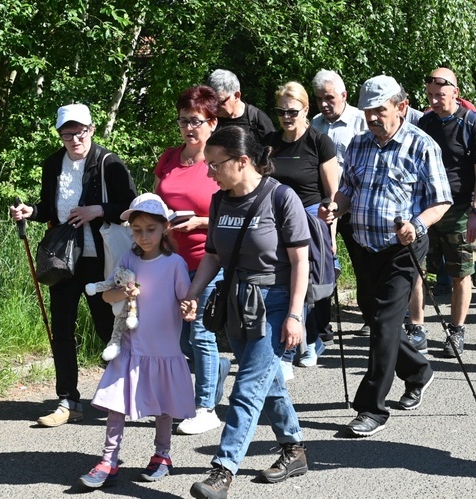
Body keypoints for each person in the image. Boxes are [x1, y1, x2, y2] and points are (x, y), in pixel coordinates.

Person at [320, 75, 452, 437]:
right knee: (374, 315)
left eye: (380, 111)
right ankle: (418, 371)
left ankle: (371, 408)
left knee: (383, 324)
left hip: (402, 247)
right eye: (368, 112)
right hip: (363, 245)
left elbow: (441, 200)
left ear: (401, 107)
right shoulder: (359, 144)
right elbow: (348, 190)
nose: (373, 118)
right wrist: (335, 208)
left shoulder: (422, 145)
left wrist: (417, 224)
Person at [186, 126, 310, 498]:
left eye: (215, 165)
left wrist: (294, 315)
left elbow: (300, 261)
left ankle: (222, 471)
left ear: (242, 161)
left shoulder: (281, 198)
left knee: (245, 388)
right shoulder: (219, 201)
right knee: (265, 382)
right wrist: (193, 293)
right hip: (237, 301)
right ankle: (294, 449)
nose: (209, 172)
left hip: (274, 301)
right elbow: (212, 256)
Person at [9, 104, 137, 427]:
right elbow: (51, 208)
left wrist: (97, 210)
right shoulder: (53, 164)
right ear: (60, 135)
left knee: (108, 327)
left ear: (92, 130)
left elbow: (131, 207)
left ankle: (120, 393)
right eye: (67, 133)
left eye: (80, 131)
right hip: (64, 261)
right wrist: (30, 212)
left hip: (101, 259)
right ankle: (68, 400)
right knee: (62, 330)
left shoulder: (108, 163)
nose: (74, 138)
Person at [79, 193, 196, 488]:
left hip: (163, 349)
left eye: (151, 229)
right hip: (130, 346)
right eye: (137, 229)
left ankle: (162, 454)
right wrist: (124, 293)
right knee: (116, 403)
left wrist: (189, 310)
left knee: (164, 405)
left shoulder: (175, 264)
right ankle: (109, 459)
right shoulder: (129, 258)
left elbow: (186, 300)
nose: (143, 236)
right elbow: (108, 294)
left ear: (165, 228)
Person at [154, 85, 230, 435]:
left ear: (213, 123)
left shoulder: (221, 162)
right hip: (171, 259)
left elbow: (237, 214)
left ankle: (205, 408)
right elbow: (157, 200)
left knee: (199, 332)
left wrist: (202, 222)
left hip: (208, 257)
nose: (189, 128)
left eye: (197, 121)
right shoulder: (169, 157)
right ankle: (217, 369)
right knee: (182, 338)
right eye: (184, 120)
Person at [264, 81, 339, 374]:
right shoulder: (270, 142)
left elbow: (333, 196)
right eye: (281, 111)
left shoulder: (319, 142)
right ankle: (297, 345)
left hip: (309, 221)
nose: (286, 117)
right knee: (281, 282)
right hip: (274, 219)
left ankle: (301, 345)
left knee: (305, 285)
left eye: (292, 111)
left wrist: (330, 235)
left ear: (306, 109)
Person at [418, 67, 476, 356]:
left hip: (460, 208)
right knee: (418, 271)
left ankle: (456, 331)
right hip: (426, 207)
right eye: (431, 96)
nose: (435, 101)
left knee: (461, 273)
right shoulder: (425, 122)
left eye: (440, 95)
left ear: (455, 93)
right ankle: (416, 328)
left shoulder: (472, 123)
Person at [311, 69, 371, 338]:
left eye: (330, 98)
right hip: (326, 204)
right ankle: (321, 324)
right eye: (320, 98)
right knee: (323, 261)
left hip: (356, 204)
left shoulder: (361, 121)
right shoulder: (315, 124)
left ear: (344, 95)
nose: (324, 104)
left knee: (364, 262)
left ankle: (371, 317)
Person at [206, 69, 276, 143]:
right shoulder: (207, 119)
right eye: (211, 101)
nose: (214, 106)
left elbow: (273, 150)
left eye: (220, 101)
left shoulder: (257, 120)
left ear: (237, 96)